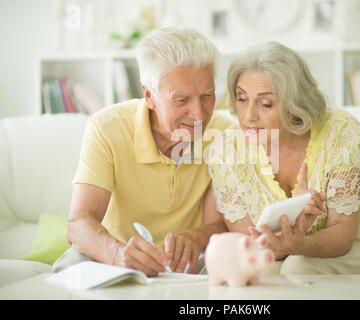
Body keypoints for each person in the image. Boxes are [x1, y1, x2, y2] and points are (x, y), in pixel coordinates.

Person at [53, 26, 235, 276]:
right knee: (72, 264)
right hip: (116, 256)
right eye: (181, 100)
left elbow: (225, 223)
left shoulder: (225, 134)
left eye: (207, 96)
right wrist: (118, 254)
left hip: (192, 261)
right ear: (149, 96)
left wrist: (196, 237)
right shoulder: (106, 128)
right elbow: (79, 223)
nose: (199, 114)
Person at [206, 41, 360, 275]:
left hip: (354, 251)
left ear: (294, 105)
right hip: (276, 259)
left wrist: (299, 245)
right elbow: (251, 244)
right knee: (265, 270)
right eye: (241, 98)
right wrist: (286, 237)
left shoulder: (340, 132)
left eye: (266, 104)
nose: (248, 116)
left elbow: (343, 231)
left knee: (299, 266)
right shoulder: (226, 150)